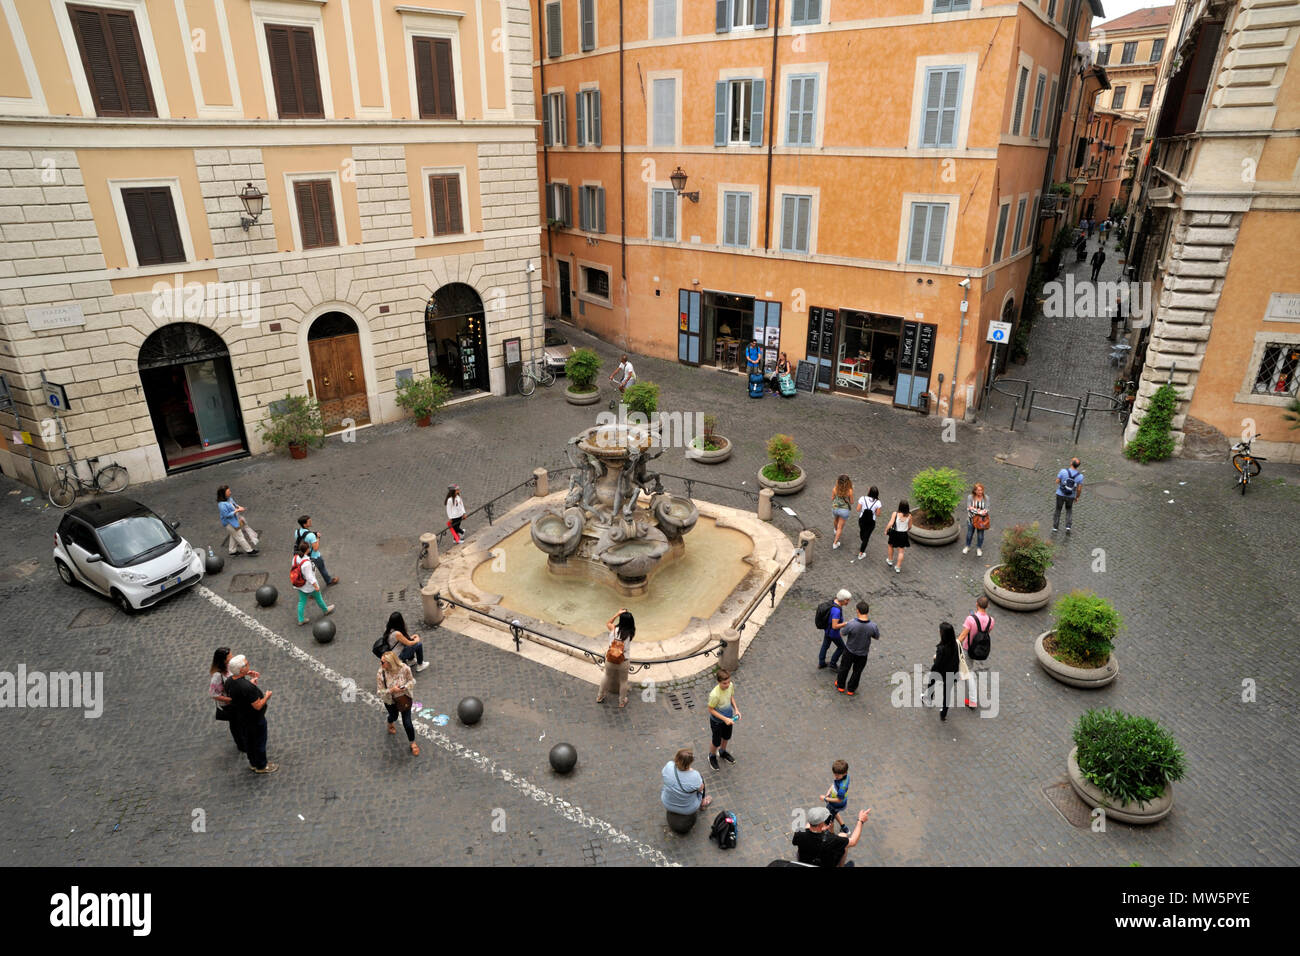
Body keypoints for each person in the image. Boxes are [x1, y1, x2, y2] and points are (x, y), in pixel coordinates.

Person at [224, 654, 275, 773]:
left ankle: (253, 763)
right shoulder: (247, 687)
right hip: (255, 719)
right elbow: (257, 706)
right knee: (259, 742)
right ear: (241, 669)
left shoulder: (229, 682)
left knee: (249, 742)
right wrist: (267, 696)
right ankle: (262, 766)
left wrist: (248, 676)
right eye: (246, 664)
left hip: (242, 717)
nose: (249, 664)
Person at [792, 807, 871, 867]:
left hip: (804, 861)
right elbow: (853, 841)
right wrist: (860, 821)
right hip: (825, 864)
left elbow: (796, 842)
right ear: (821, 824)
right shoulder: (832, 840)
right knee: (843, 835)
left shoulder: (799, 833)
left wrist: (821, 828)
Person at [377, 650, 419, 756]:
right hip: (390, 701)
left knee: (407, 722)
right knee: (394, 716)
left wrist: (405, 687)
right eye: (381, 661)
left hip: (404, 699)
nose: (380, 664)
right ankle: (390, 722)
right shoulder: (381, 673)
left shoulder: (404, 668)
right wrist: (392, 690)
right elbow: (379, 692)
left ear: (391, 663)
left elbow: (412, 681)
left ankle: (412, 743)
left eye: (383, 662)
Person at [956, 596, 995, 709]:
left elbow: (963, 635)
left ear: (977, 604)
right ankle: (960, 675)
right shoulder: (991, 621)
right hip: (979, 649)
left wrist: (954, 644)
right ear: (987, 606)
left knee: (969, 673)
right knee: (965, 668)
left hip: (968, 648)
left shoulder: (970, 619)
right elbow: (987, 632)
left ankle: (973, 700)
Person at [835, 601, 880, 696]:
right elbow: (876, 636)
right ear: (867, 612)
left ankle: (840, 685)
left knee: (844, 668)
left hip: (849, 651)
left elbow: (842, 633)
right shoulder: (873, 626)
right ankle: (851, 689)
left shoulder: (852, 623)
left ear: (858, 611)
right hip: (863, 653)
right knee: (857, 672)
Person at [208, 646, 246, 754]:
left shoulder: (229, 667)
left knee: (241, 720)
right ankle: (241, 744)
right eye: (230, 656)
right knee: (235, 724)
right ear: (224, 660)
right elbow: (212, 693)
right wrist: (228, 699)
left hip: (236, 700)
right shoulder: (217, 675)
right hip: (229, 704)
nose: (232, 656)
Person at [596, 608, 634, 708]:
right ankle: (622, 701)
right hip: (623, 661)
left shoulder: (613, 629)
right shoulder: (630, 633)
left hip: (610, 658)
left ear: (620, 620)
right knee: (623, 681)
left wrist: (617, 614)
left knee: (606, 676)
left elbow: (608, 622)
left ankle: (600, 696)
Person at [292, 540, 334, 626]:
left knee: (301, 602)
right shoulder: (306, 563)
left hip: (299, 584)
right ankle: (325, 610)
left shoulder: (295, 557)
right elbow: (309, 577)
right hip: (308, 585)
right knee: (318, 597)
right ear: (307, 550)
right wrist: (316, 586)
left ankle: (301, 619)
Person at [706, 668, 741, 770]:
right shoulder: (714, 695)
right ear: (718, 682)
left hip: (729, 718)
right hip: (717, 722)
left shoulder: (730, 686)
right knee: (716, 741)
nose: (727, 685)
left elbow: (731, 697)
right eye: (724, 683)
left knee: (726, 737)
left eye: (729, 682)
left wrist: (736, 710)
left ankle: (722, 752)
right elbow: (710, 709)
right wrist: (724, 719)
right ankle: (712, 756)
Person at [927, 622, 962, 721]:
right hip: (952, 673)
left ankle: (929, 699)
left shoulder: (941, 648)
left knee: (931, 683)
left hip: (940, 672)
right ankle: (944, 713)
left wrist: (935, 658)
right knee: (947, 693)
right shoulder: (956, 644)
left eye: (940, 630)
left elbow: (937, 663)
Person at [661, 748, 712, 814]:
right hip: (688, 809)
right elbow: (701, 789)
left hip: (667, 803)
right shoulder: (695, 775)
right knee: (701, 781)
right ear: (690, 763)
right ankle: (703, 802)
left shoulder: (669, 765)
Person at [296, 515, 338, 586]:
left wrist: (313, 534)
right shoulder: (311, 536)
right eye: (309, 521)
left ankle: (309, 589)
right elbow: (315, 548)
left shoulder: (297, 532)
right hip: (314, 556)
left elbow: (302, 539)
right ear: (304, 524)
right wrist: (318, 538)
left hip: (304, 556)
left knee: (308, 573)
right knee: (322, 569)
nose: (311, 522)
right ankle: (329, 581)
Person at [217, 485, 258, 556]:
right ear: (223, 494)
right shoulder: (222, 505)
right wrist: (237, 510)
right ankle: (249, 550)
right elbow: (226, 515)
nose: (230, 492)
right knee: (240, 536)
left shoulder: (229, 499)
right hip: (230, 523)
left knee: (234, 536)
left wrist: (239, 507)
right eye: (228, 491)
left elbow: (235, 504)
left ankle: (232, 551)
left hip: (235, 520)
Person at [818, 589, 852, 670]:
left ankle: (821, 662)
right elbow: (835, 626)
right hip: (833, 633)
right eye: (847, 600)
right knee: (841, 648)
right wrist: (846, 624)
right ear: (843, 600)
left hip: (827, 629)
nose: (848, 602)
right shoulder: (836, 611)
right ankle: (833, 664)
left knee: (825, 646)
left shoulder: (833, 602)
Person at [1053, 457, 1084, 533]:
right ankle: (1068, 527)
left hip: (1060, 494)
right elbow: (1079, 489)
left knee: (1058, 510)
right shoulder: (1080, 476)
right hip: (1070, 496)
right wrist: (1077, 497)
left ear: (1071, 463)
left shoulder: (1063, 471)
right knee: (1069, 510)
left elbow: (1057, 481)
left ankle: (1055, 527)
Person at [820, 760, 851, 833]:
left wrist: (825, 798)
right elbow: (834, 784)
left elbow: (839, 800)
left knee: (829, 821)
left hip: (836, 803)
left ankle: (831, 835)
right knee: (834, 812)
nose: (835, 776)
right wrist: (829, 791)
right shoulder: (845, 777)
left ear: (845, 773)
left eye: (837, 775)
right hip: (837, 804)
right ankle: (844, 827)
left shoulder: (842, 788)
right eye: (834, 774)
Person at [884, 500, 912, 573]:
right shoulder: (909, 516)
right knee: (901, 551)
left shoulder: (895, 514)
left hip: (894, 533)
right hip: (903, 534)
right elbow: (910, 526)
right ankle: (898, 567)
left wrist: (886, 530)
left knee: (890, 545)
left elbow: (891, 523)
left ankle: (890, 560)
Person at [855, 484, 881, 560]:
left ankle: (862, 548)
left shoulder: (862, 498)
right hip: (871, 521)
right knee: (867, 537)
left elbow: (858, 509)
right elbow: (878, 514)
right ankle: (861, 552)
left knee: (862, 533)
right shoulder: (878, 502)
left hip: (862, 519)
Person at [963, 483, 990, 556]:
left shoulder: (986, 498)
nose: (980, 492)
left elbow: (986, 510)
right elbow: (969, 508)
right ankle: (967, 546)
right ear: (975, 491)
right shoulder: (970, 497)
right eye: (978, 490)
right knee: (969, 534)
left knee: (980, 535)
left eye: (981, 490)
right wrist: (979, 511)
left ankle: (979, 548)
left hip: (981, 520)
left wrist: (975, 510)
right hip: (971, 519)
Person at [829, 475, 853, 550]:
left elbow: (832, 498)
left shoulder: (835, 489)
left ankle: (835, 530)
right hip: (844, 510)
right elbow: (852, 502)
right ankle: (835, 543)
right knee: (840, 527)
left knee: (836, 520)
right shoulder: (849, 491)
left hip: (835, 508)